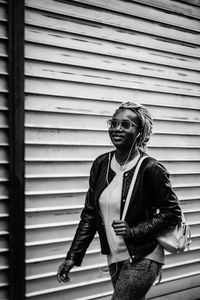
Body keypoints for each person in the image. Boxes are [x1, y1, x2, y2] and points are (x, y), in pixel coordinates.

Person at [57, 101, 182, 299]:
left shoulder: (151, 169)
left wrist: (134, 231)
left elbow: (172, 213)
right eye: (113, 123)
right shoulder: (101, 164)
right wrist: (73, 256)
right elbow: (89, 215)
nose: (116, 129)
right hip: (114, 258)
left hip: (143, 256)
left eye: (125, 125)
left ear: (140, 132)